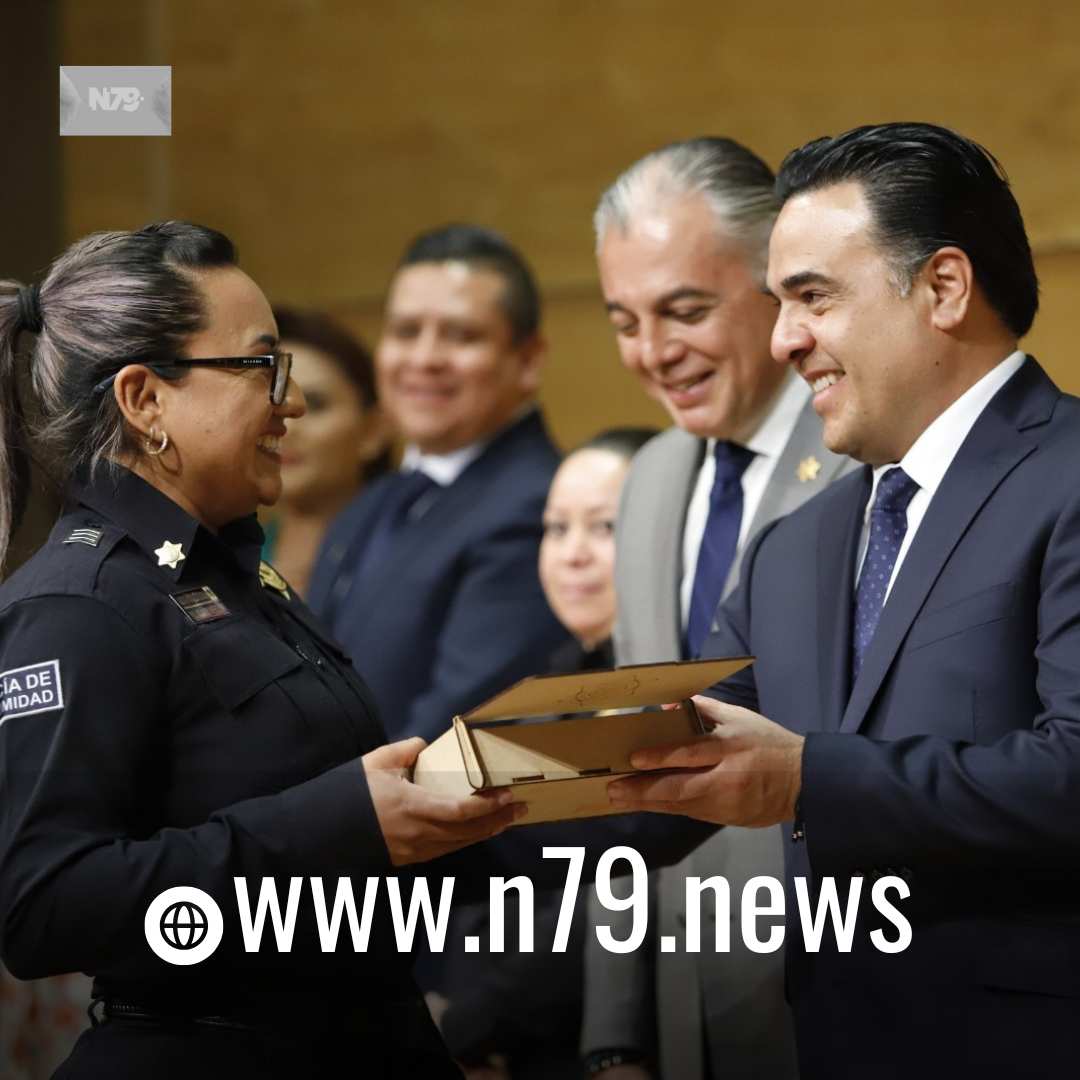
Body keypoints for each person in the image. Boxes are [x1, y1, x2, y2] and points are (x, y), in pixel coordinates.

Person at [607, 123, 1080, 1078]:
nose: (784, 339)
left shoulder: (1068, 477)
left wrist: (806, 779)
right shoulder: (801, 544)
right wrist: (460, 803)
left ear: (943, 287)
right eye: (780, 303)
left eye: (813, 298)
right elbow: (676, 750)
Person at [0, 222, 527, 1079]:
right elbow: (45, 906)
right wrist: (337, 823)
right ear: (145, 400)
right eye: (260, 366)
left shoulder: (235, 573)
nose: (292, 401)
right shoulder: (78, 606)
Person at [581, 137, 853, 1080]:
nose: (653, 354)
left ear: (775, 289)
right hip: (680, 988)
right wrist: (613, 1031)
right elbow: (633, 757)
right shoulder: (650, 478)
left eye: (684, 310)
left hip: (832, 979)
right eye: (624, 320)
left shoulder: (867, 460)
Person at [437, 427, 657, 1080]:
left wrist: (466, 1023)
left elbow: (611, 891)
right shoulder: (541, 691)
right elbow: (487, 872)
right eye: (556, 529)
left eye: (603, 528)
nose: (573, 555)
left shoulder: (680, 695)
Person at [308, 224, 569, 744]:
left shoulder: (539, 506)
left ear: (528, 359)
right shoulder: (377, 498)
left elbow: (454, 731)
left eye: (461, 335)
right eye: (405, 331)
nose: (424, 359)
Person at [262, 306, 391, 597]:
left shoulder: (410, 551)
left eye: (316, 405)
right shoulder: (229, 558)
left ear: (374, 429)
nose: (287, 427)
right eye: (274, 403)